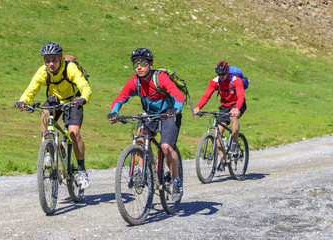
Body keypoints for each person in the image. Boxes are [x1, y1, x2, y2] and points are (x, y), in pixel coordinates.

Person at [107, 48, 185, 201]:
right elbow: (121, 97)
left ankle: (176, 181)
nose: (139, 67)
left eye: (143, 63)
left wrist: (176, 109)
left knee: (166, 147)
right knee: (139, 140)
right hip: (149, 114)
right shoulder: (135, 81)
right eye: (136, 64)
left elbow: (178, 95)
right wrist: (114, 111)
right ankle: (142, 172)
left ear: (151, 64)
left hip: (169, 113)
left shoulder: (160, 78)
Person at [15, 42, 92, 190]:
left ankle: (82, 170)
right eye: (47, 60)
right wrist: (23, 101)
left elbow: (84, 86)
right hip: (55, 100)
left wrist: (83, 98)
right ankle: (49, 149)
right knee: (45, 113)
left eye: (54, 60)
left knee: (73, 133)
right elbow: (31, 89)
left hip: (73, 101)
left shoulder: (70, 68)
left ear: (61, 58)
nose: (51, 64)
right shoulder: (42, 71)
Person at [193, 61, 247, 155]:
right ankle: (223, 159)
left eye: (223, 74)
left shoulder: (235, 80)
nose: (221, 76)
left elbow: (241, 96)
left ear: (227, 72)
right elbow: (206, 95)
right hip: (225, 106)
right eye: (219, 74)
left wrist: (236, 108)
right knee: (217, 132)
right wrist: (198, 107)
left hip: (238, 104)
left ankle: (235, 143)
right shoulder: (215, 82)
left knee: (233, 117)